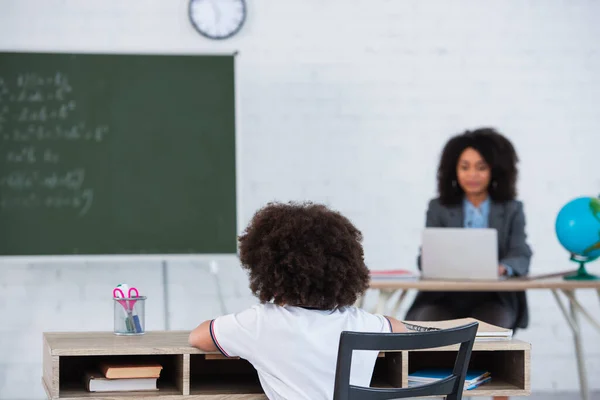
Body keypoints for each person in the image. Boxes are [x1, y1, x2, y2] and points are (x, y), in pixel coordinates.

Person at [189, 201, 407, 400]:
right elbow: (399, 329)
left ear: (270, 271)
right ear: (346, 270)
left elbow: (199, 337)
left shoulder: (260, 322)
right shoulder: (361, 323)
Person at [405, 127, 533, 330]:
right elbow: (425, 258)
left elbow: (521, 253)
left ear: (494, 170)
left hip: (494, 297)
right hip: (443, 296)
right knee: (428, 326)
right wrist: (432, 261)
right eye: (465, 167)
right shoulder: (438, 207)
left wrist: (502, 267)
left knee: (491, 329)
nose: (472, 174)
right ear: (453, 170)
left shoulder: (511, 209)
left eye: (481, 167)